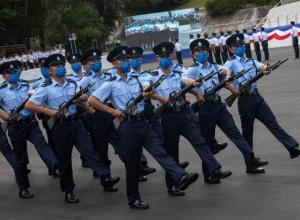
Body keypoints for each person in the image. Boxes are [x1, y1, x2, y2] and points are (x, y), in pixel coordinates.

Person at [87, 46, 198, 209]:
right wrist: (113, 111)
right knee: (133, 164)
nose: (126, 63)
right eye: (122, 61)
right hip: (127, 126)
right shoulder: (109, 84)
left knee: (160, 151)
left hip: (143, 123)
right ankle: (133, 199)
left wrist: (147, 90)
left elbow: (147, 85)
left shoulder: (136, 78)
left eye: (127, 60)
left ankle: (180, 176)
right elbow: (92, 100)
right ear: (115, 64)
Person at [25, 54, 120, 204]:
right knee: (65, 159)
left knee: (89, 151)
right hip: (60, 126)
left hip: (76, 123)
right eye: (56, 66)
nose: (61, 68)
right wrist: (48, 111)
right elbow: (29, 105)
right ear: (50, 70)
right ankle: (68, 190)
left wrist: (89, 109)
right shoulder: (45, 88)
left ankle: (105, 177)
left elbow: (80, 100)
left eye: (62, 65)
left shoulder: (71, 83)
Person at [147, 42, 232, 187]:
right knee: (172, 150)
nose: (166, 58)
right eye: (163, 57)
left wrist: (194, 89)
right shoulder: (152, 76)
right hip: (168, 116)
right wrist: (160, 99)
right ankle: (173, 185)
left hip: (184, 113)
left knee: (200, 141)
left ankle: (214, 170)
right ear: (157, 58)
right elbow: (146, 91)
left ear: (173, 56)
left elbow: (185, 82)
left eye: (168, 55)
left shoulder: (179, 71)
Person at [184, 39, 267, 174]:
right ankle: (210, 174)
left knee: (236, 135)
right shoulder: (193, 69)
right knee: (207, 142)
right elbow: (185, 81)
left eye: (204, 51)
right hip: (205, 108)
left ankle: (251, 159)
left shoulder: (213, 66)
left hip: (219, 106)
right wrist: (195, 88)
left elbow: (225, 73)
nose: (202, 54)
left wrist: (230, 81)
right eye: (198, 52)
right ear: (193, 54)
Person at [223, 34, 300, 160]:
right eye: (236, 46)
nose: (240, 47)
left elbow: (262, 67)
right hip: (244, 100)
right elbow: (224, 80)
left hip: (257, 97)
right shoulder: (229, 64)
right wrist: (233, 90)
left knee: (273, 123)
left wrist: (267, 69)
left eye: (241, 45)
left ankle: (292, 148)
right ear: (230, 49)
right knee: (247, 133)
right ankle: (250, 162)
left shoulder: (250, 60)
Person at [0, 60, 60, 199]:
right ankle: (23, 188)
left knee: (42, 145)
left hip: (31, 123)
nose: (15, 74)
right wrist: (4, 115)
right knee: (20, 159)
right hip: (15, 126)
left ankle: (56, 166)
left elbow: (36, 99)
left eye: (16, 71)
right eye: (11, 73)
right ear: (4, 76)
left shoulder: (26, 85)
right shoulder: (1, 90)